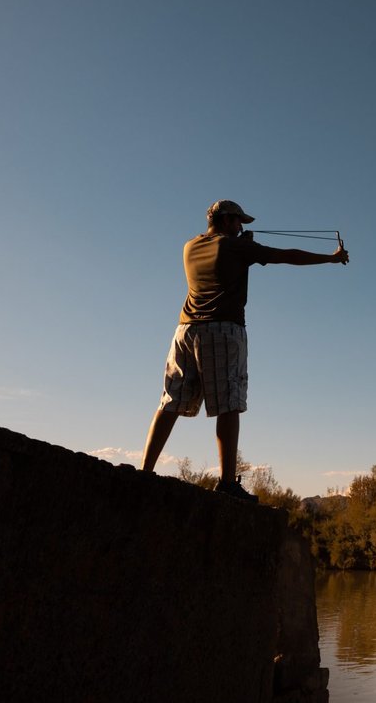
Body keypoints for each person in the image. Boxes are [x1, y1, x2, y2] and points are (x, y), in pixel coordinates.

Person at [140, 198, 349, 501]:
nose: (241, 228)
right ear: (226, 220)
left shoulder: (190, 246)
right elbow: (286, 255)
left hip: (184, 330)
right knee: (229, 403)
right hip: (223, 329)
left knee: (170, 400)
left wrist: (244, 246)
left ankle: (143, 471)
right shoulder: (235, 247)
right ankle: (226, 483)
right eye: (239, 223)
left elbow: (223, 258)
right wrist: (330, 259)